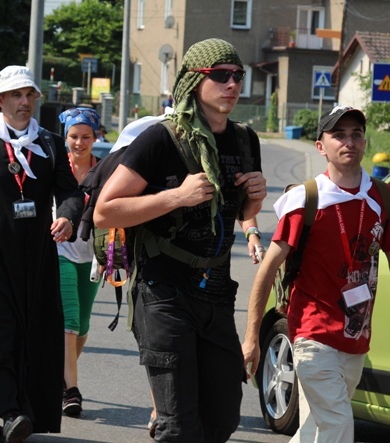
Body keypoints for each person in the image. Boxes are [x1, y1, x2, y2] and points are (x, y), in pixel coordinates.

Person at [94, 38, 266, 442]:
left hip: (216, 293)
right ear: (193, 81)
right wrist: (176, 196)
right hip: (163, 292)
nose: (232, 84)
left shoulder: (244, 140)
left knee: (222, 417)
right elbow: (106, 210)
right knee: (178, 425)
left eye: (237, 75)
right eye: (220, 76)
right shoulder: (161, 139)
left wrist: (253, 199)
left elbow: (236, 215)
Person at [242, 105, 390, 442]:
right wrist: (252, 338)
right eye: (338, 135)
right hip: (312, 334)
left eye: (356, 134)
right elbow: (267, 270)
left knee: (318, 427)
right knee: (340, 423)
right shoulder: (305, 200)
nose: (349, 142)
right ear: (320, 146)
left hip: (356, 339)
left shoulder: (383, 198)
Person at [0, 65, 83, 442]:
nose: (25, 102)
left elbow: (71, 193)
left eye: (30, 95)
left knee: (34, 335)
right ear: (0, 101)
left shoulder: (52, 145)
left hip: (37, 257)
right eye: (16, 96)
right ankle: (9, 410)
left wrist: (69, 217)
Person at [56, 107, 101, 416]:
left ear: (95, 138)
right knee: (69, 322)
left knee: (82, 325)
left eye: (86, 137)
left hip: (93, 255)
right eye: (73, 136)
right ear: (65, 137)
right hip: (60, 251)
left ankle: (60, 378)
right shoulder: (56, 167)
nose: (79, 143)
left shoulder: (106, 170)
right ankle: (71, 391)